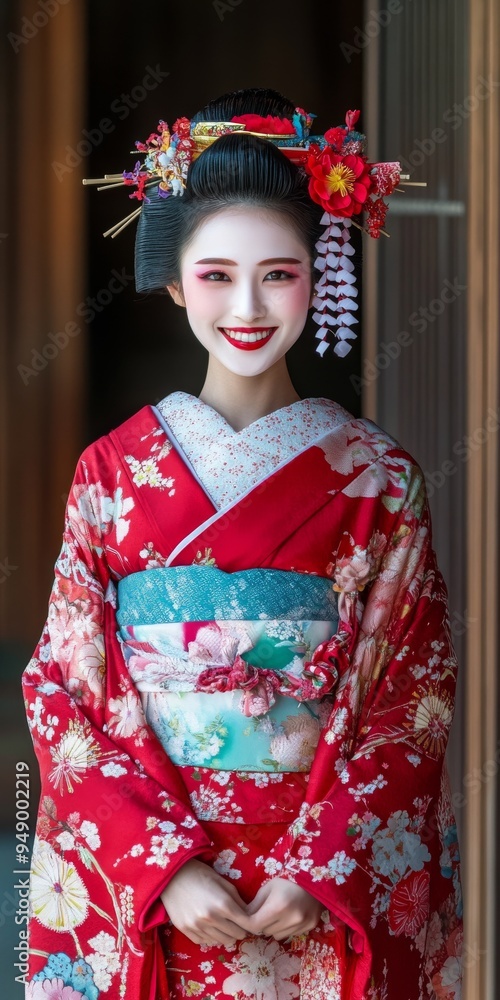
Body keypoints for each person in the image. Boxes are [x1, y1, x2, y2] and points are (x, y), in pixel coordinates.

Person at [22, 88, 463, 1000]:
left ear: (320, 272)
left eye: (280, 273)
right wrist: (165, 866)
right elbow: (65, 688)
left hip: (310, 894)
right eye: (217, 276)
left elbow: (410, 701)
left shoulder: (380, 481)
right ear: (175, 284)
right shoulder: (112, 473)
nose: (248, 306)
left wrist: (323, 868)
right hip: (166, 890)